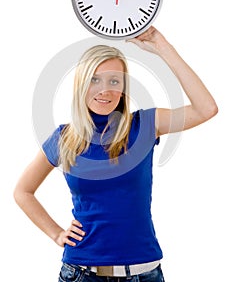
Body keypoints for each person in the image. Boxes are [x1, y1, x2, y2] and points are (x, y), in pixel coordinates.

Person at [14, 26, 218, 282]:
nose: (105, 90)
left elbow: (206, 108)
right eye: (95, 80)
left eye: (114, 81)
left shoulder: (144, 125)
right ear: (81, 84)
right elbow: (23, 191)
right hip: (82, 272)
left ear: (123, 87)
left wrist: (161, 45)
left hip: (144, 272)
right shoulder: (64, 138)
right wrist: (56, 233)